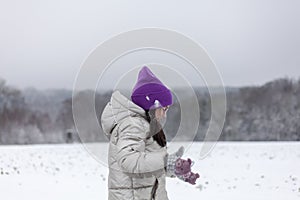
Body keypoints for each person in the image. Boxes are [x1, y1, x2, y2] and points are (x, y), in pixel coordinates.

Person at [101, 66, 198, 200]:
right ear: (152, 104)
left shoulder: (144, 124)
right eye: (164, 108)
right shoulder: (132, 124)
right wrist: (165, 161)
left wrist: (174, 168)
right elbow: (129, 160)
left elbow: (146, 162)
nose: (164, 114)